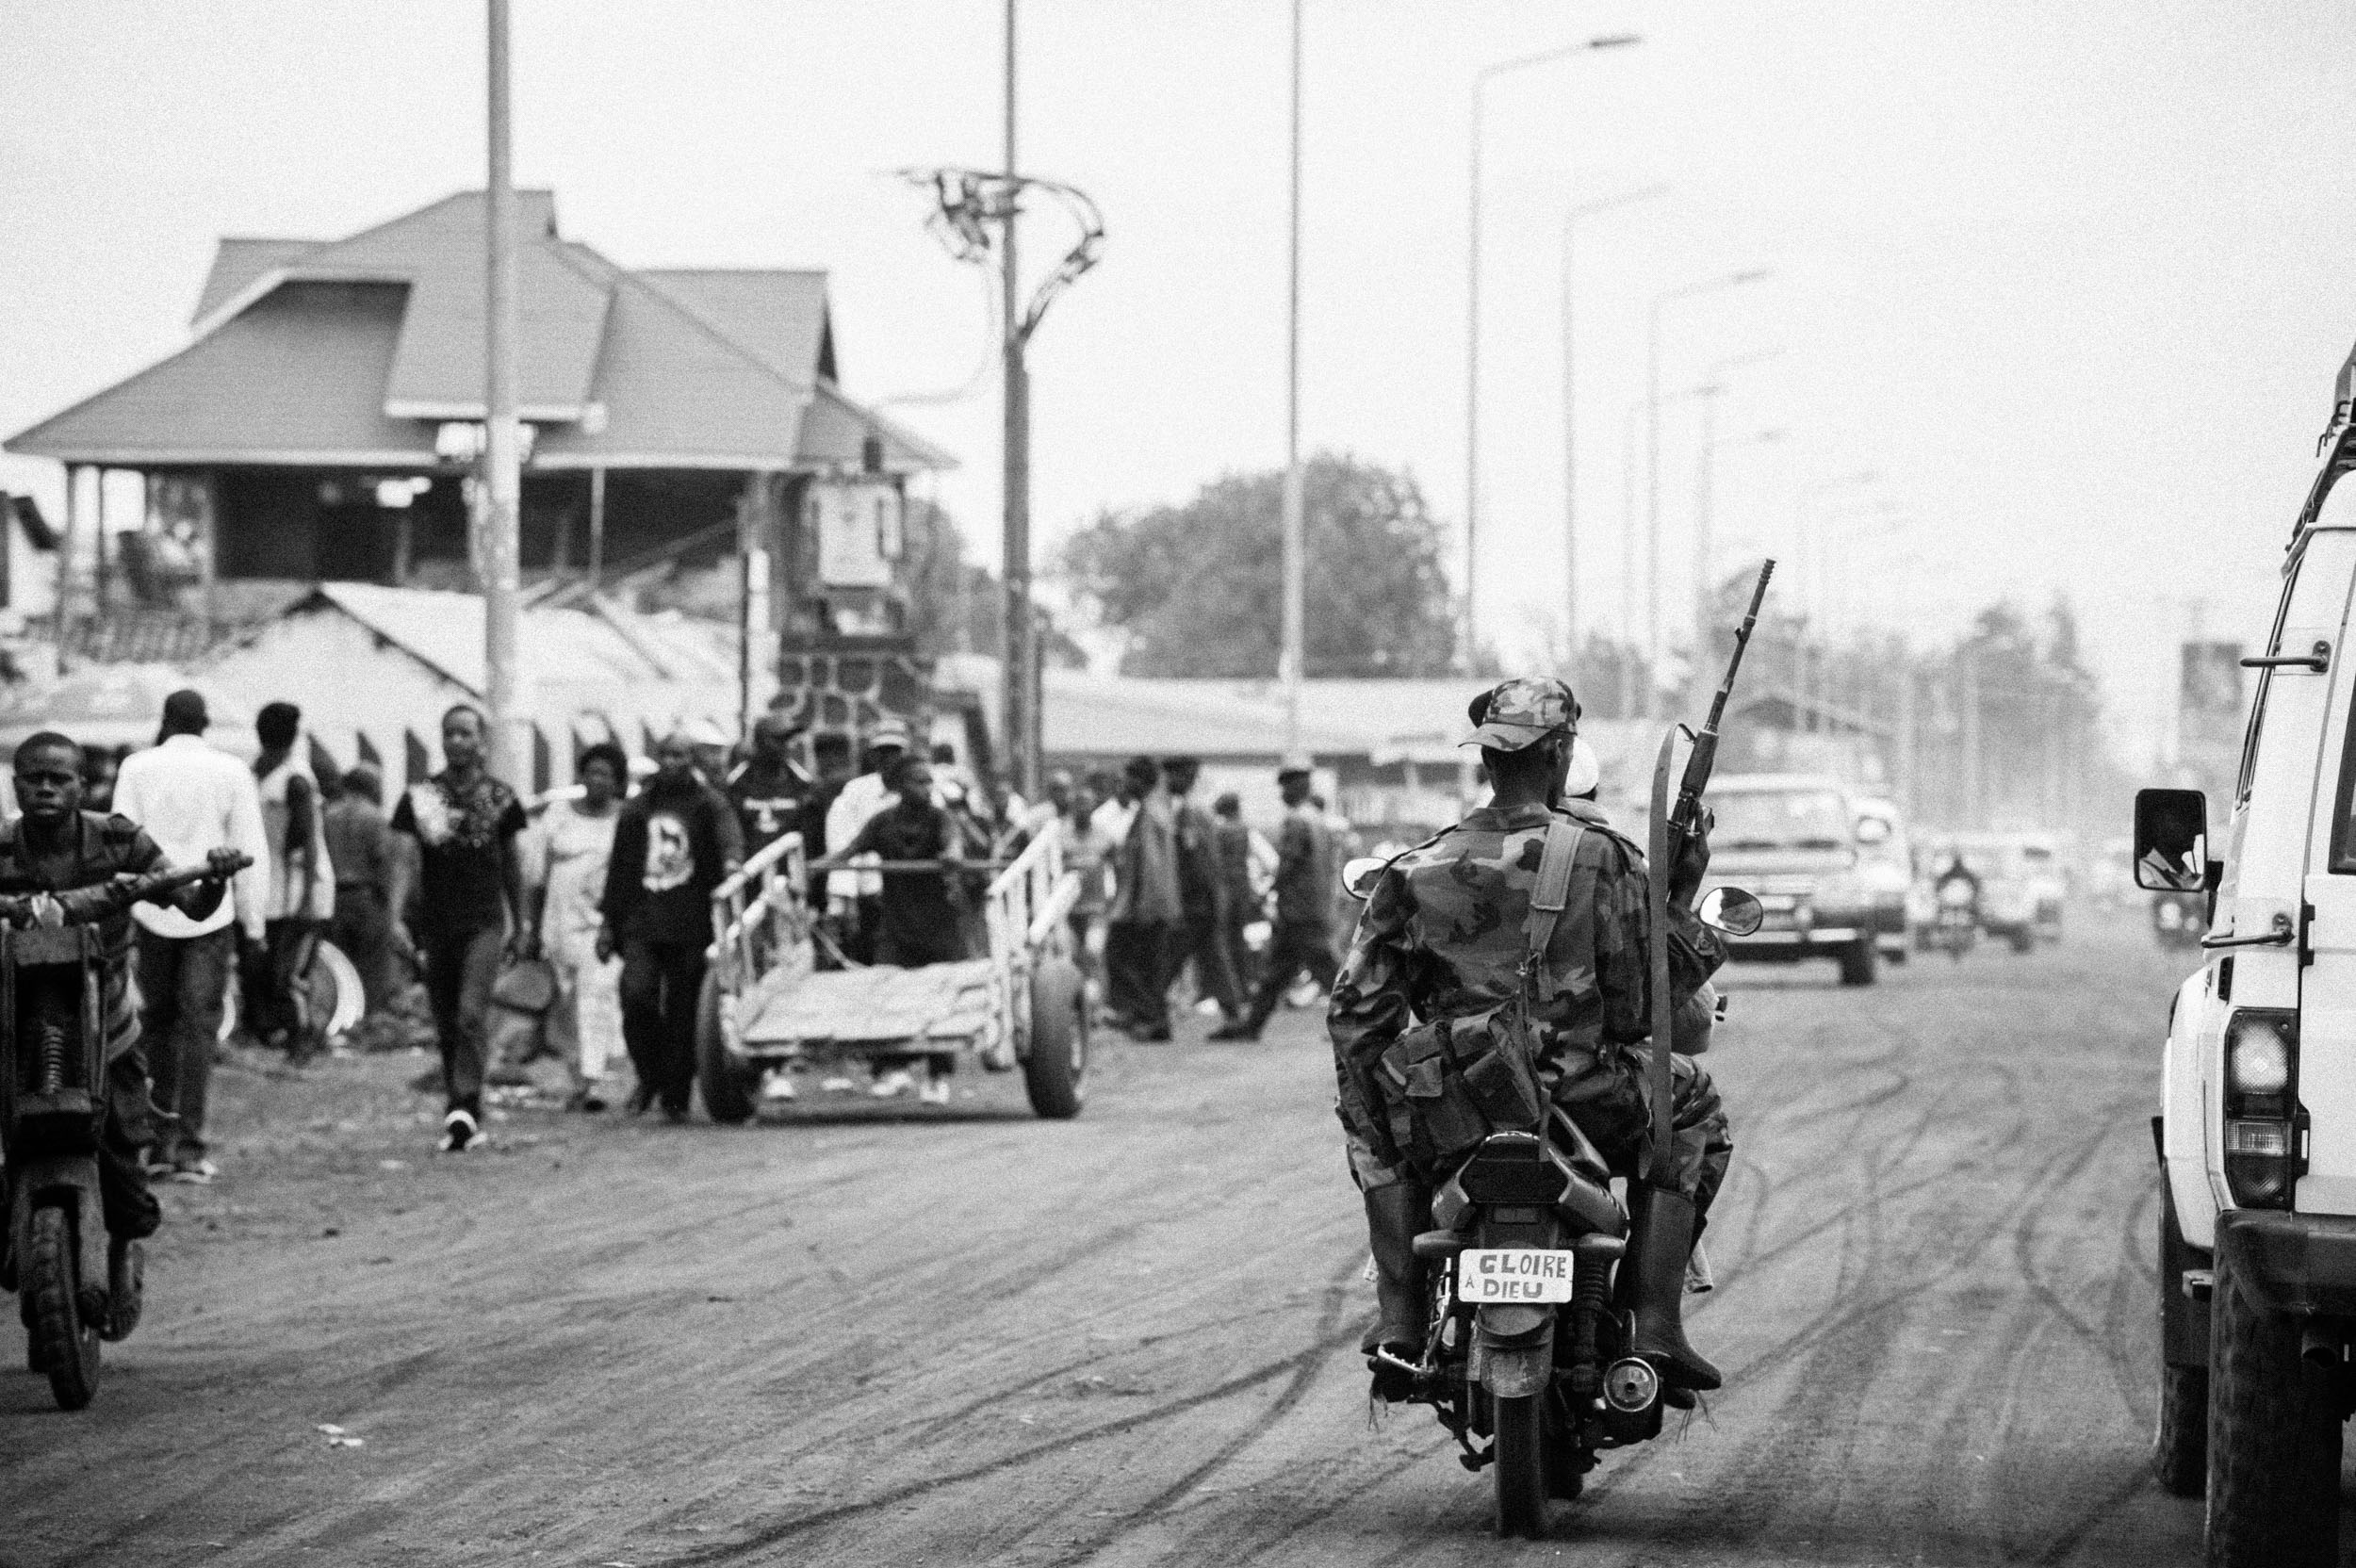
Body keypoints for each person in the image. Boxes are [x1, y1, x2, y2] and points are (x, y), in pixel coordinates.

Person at [1327, 677, 1734, 1399]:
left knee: (1371, 1119)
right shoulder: (1602, 858)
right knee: (1694, 1106)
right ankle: (1655, 1325)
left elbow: (1356, 1018)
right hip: (1584, 1096)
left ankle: (1400, 1314)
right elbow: (1647, 1007)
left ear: (1488, 761)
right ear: (1560, 755)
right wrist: (1679, 899)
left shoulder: (1413, 868)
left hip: (1452, 1108)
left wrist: (1384, 1115)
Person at [0, 732, 245, 1330]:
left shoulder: (117, 838)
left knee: (124, 1154)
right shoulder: (2, 845)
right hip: (16, 1022)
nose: (46, 788)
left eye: (60, 779)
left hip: (105, 1019)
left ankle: (120, 1249)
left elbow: (187, 903)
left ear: (84, 786)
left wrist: (213, 879)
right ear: (15, 784)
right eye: (34, 778)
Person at [110, 688, 270, 1185]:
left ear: (165, 721)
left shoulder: (136, 768)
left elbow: (120, 840)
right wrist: (255, 923)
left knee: (153, 1023)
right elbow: (250, 851)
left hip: (153, 909)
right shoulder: (231, 770)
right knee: (200, 1026)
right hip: (211, 913)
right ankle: (190, 1147)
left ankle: (155, 1144)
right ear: (205, 725)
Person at [388, 705, 532, 1153]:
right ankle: (460, 1108)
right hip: (437, 925)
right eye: (450, 734)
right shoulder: (421, 798)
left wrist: (522, 921)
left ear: (482, 741)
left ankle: (466, 1103)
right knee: (448, 1019)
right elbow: (406, 862)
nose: (457, 742)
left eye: (466, 734)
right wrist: (394, 915)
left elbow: (513, 865)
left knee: (471, 1012)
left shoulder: (502, 800)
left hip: (484, 924)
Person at [599, 731, 742, 1121]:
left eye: (679, 755)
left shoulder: (709, 804)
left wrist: (731, 865)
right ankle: (650, 1075)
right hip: (643, 920)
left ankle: (676, 1093)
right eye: (665, 755)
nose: (672, 763)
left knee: (684, 1010)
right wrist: (608, 923)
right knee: (636, 994)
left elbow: (730, 842)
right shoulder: (638, 807)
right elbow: (620, 867)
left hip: (692, 923)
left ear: (691, 759)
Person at [1209, 760, 1339, 1042]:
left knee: (1326, 971)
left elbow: (1288, 866)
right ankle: (1251, 1026)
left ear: (1296, 787)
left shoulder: (1297, 821)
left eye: (1284, 786)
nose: (1281, 793)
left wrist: (1270, 892)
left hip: (1298, 913)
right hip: (1312, 909)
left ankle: (1360, 1021)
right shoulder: (1317, 819)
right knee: (1277, 974)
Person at [532, 743, 628, 1111]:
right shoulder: (558, 814)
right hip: (559, 923)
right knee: (567, 999)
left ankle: (595, 1079)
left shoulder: (623, 819)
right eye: (591, 772)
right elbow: (538, 877)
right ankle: (579, 1078)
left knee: (598, 994)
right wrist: (532, 926)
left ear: (617, 780)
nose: (597, 780)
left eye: (605, 773)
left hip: (600, 924)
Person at [249, 701, 336, 1060]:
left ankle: (304, 1038)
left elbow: (311, 838)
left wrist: (304, 901)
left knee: (287, 971)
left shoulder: (296, 779)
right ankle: (282, 1033)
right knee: (269, 969)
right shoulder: (259, 770)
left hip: (299, 886)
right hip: (272, 886)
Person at [832, 753, 966, 968]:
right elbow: (849, 851)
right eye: (920, 782)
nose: (928, 788)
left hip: (937, 925)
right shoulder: (882, 822)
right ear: (902, 786)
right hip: (898, 924)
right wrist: (811, 868)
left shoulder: (940, 818)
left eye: (929, 781)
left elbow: (953, 842)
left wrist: (952, 854)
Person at [1104, 756, 1182, 1041]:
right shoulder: (1155, 809)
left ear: (1140, 780)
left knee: (1120, 958)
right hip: (1153, 905)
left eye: (1128, 778)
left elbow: (1152, 865)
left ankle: (1146, 1014)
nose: (1124, 785)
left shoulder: (1149, 813)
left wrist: (1145, 908)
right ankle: (1154, 1020)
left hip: (1145, 906)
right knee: (1151, 966)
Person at [1159, 758, 1242, 1021]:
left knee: (1170, 959)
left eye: (1173, 775)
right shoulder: (1193, 810)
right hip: (1203, 899)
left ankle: (1152, 1015)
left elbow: (1198, 859)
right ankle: (1233, 1014)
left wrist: (1199, 899)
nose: (1168, 782)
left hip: (1196, 901)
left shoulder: (1190, 812)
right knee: (1212, 958)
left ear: (1186, 777)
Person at [824, 720, 911, 964]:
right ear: (874, 756)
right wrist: (844, 899)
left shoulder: (922, 788)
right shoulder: (856, 792)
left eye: (896, 752)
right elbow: (842, 842)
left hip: (912, 894)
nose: (890, 759)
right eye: (883, 752)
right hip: (872, 895)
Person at [321, 762, 397, 1036]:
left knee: (340, 965)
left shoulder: (329, 815)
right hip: (366, 896)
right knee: (371, 964)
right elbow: (382, 861)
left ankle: (339, 1022)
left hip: (333, 899)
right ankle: (367, 1022)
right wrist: (389, 901)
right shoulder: (374, 817)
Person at [727, 711, 810, 862]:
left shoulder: (801, 784)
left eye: (789, 739)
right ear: (762, 741)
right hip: (748, 872)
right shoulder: (736, 784)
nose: (788, 745)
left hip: (789, 872)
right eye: (780, 740)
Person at [1210, 792, 1263, 998]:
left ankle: (1230, 989)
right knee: (1239, 941)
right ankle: (1243, 986)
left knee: (1224, 943)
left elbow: (1216, 862)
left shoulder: (1220, 830)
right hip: (1242, 890)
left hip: (1225, 891)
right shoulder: (1243, 829)